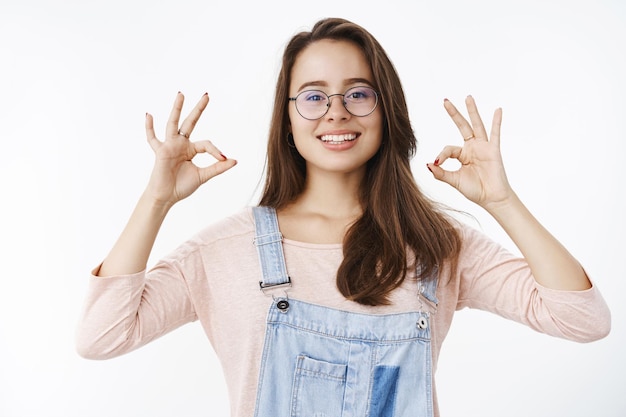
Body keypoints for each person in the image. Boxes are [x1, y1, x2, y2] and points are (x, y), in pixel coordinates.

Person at [76, 17, 610, 417]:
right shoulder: (224, 251)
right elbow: (101, 338)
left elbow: (582, 320)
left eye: (359, 93)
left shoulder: (434, 244)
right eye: (313, 97)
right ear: (287, 120)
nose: (336, 112)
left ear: (387, 110)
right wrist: (156, 200)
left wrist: (501, 202)